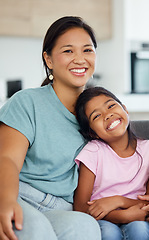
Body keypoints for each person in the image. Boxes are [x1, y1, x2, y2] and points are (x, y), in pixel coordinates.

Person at [0, 16, 101, 240]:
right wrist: (5, 201)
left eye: (87, 50)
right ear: (49, 59)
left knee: (86, 227)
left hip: (61, 207)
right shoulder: (27, 102)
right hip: (19, 195)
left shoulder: (98, 114)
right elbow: (7, 159)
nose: (79, 59)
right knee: (36, 231)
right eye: (68, 51)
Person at [73, 86, 149, 240]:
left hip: (136, 216)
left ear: (125, 109)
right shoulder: (93, 152)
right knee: (108, 233)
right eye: (96, 116)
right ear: (92, 133)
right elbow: (80, 207)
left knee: (139, 229)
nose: (108, 115)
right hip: (102, 218)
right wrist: (121, 216)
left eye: (111, 106)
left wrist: (117, 201)